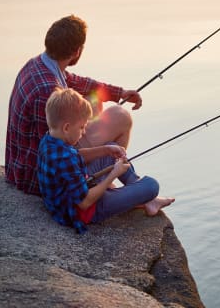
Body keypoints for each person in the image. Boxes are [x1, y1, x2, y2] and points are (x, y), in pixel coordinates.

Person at [6, 14, 142, 195]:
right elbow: (55, 152)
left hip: (20, 164)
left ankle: (108, 175)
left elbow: (76, 81)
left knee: (93, 101)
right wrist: (105, 149)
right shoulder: (47, 92)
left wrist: (119, 93)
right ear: (77, 51)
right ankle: (101, 182)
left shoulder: (38, 64)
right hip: (36, 177)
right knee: (121, 117)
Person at [38, 88, 174, 233]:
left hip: (73, 194)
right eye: (82, 127)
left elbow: (76, 155)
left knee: (113, 147)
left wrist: (105, 150)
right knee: (152, 185)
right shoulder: (64, 159)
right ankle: (146, 197)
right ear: (66, 127)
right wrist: (113, 175)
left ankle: (141, 195)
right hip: (88, 211)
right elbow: (84, 203)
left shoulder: (49, 140)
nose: (84, 132)